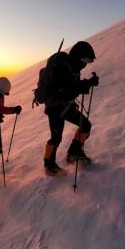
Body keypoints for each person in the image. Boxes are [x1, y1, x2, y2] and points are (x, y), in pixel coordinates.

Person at [42, 41, 99, 176]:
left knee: (85, 125)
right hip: (55, 107)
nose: (85, 64)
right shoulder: (62, 67)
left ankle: (74, 152)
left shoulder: (72, 66)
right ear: (77, 56)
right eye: (84, 60)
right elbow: (63, 92)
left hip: (66, 106)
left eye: (87, 61)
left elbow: (72, 84)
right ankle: (49, 166)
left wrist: (87, 82)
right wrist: (85, 85)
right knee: (56, 137)